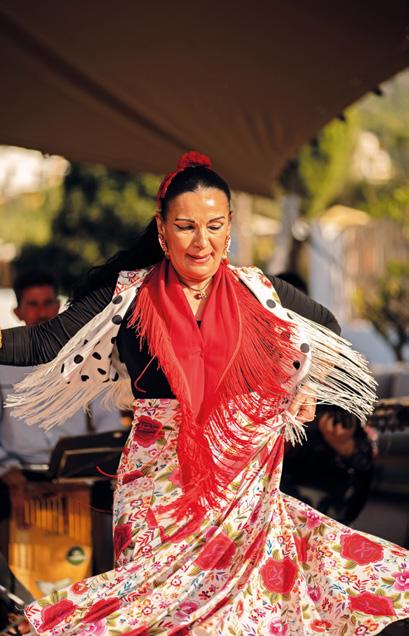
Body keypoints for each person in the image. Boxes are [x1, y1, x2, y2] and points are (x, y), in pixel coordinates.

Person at [0, 152, 407, 635]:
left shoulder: (259, 293)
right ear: (162, 228)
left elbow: (327, 327)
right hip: (156, 486)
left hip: (240, 489)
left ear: (229, 224)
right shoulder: (128, 294)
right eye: (186, 227)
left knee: (234, 620)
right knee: (149, 606)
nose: (201, 242)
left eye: (214, 226)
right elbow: (44, 342)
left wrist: (307, 387)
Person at [0, 270, 121, 572]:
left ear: (59, 306)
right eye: (32, 304)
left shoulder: (88, 357)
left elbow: (108, 421)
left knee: (104, 549)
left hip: (79, 477)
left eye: (48, 303)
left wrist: (90, 471)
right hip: (18, 476)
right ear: (18, 312)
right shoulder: (3, 365)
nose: (42, 312)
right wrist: (6, 471)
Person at [274, 272, 375, 524]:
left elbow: (364, 464)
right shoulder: (255, 364)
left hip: (316, 501)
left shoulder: (336, 376)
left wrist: (344, 445)